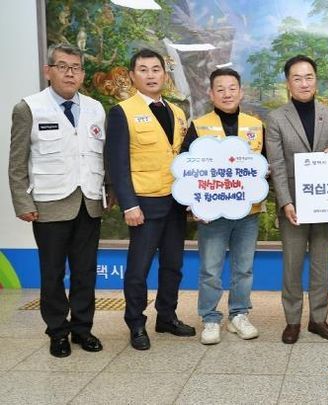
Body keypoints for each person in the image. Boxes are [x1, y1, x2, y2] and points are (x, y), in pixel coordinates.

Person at [8, 44, 106, 357]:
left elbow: (103, 157)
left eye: (76, 67)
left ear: (83, 74)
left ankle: (82, 329)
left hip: (89, 202)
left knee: (85, 272)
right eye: (62, 66)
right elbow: (17, 162)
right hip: (49, 205)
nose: (69, 73)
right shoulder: (29, 108)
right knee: (52, 274)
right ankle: (58, 332)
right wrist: (23, 203)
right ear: (48, 71)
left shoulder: (95, 108)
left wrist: (109, 194)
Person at [106, 49, 194, 351]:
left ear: (165, 75)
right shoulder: (122, 112)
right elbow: (117, 163)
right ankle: (136, 323)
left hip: (175, 202)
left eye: (156, 69)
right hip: (143, 203)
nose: (151, 75)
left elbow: (185, 158)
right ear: (132, 76)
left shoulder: (177, 112)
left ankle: (166, 317)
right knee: (138, 269)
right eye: (143, 70)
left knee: (173, 265)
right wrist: (129, 204)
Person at [181, 68, 264, 345]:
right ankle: (210, 318)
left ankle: (239, 315)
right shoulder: (199, 126)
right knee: (210, 269)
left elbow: (264, 165)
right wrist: (194, 205)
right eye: (220, 89)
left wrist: (263, 175)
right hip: (212, 213)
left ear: (241, 91)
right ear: (211, 94)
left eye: (232, 88)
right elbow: (186, 168)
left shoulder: (256, 126)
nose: (227, 94)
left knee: (244, 268)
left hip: (249, 212)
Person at [266, 55, 328, 344]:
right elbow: (276, 164)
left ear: (316, 80)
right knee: (293, 264)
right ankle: (292, 320)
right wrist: (285, 202)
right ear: (288, 83)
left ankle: (319, 319)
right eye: (297, 78)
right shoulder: (276, 118)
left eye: (309, 77)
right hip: (293, 205)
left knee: (322, 263)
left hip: (324, 203)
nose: (304, 83)